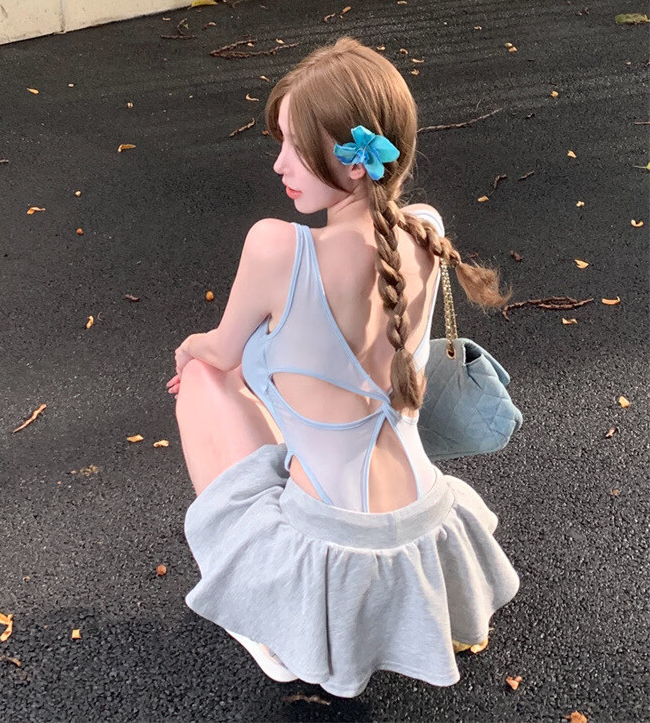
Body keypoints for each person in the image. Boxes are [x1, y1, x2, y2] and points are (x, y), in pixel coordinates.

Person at [166, 35, 521, 698]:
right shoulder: (423, 228)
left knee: (204, 382)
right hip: (424, 517)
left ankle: (269, 624)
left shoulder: (276, 247)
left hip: (332, 540)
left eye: (296, 147)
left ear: (354, 162)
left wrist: (193, 350)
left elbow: (220, 353)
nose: (279, 164)